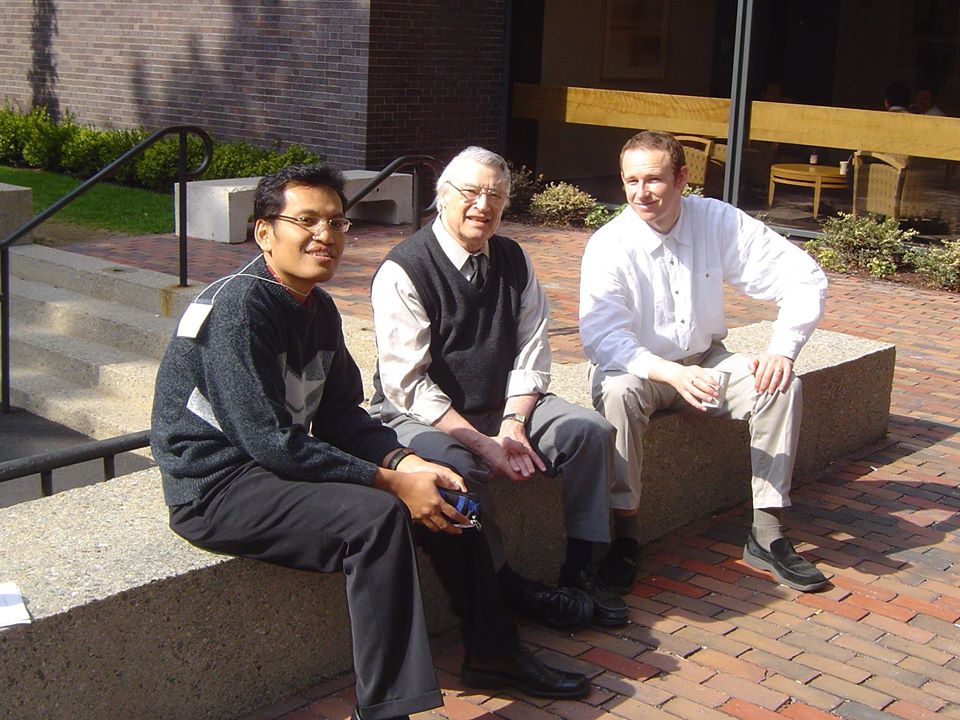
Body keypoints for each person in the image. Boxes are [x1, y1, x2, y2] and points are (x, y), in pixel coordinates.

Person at [150, 164, 590, 720]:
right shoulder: (240, 309)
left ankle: (495, 652)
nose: (324, 237)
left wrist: (409, 461)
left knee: (445, 493)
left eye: (336, 223)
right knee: (377, 517)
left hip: (272, 469)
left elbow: (338, 416)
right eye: (305, 221)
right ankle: (386, 708)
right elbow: (270, 441)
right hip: (217, 488)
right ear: (265, 232)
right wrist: (390, 481)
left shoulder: (317, 305)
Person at [369, 146, 631, 629]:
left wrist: (512, 424)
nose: (482, 205)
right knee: (457, 466)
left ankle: (580, 567)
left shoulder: (513, 258)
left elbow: (533, 347)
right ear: (442, 197)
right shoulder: (404, 269)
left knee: (589, 430)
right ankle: (497, 581)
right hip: (418, 415)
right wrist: (480, 441)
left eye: (496, 195)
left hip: (498, 407)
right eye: (470, 192)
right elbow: (406, 382)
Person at [579, 131, 830, 593]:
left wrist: (782, 349)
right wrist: (671, 372)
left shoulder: (716, 221)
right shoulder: (609, 244)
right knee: (616, 392)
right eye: (630, 181)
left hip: (707, 361)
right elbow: (602, 337)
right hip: (641, 370)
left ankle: (767, 534)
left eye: (653, 179)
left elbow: (803, 277)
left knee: (779, 385)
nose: (641, 193)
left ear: (681, 178)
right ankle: (626, 537)